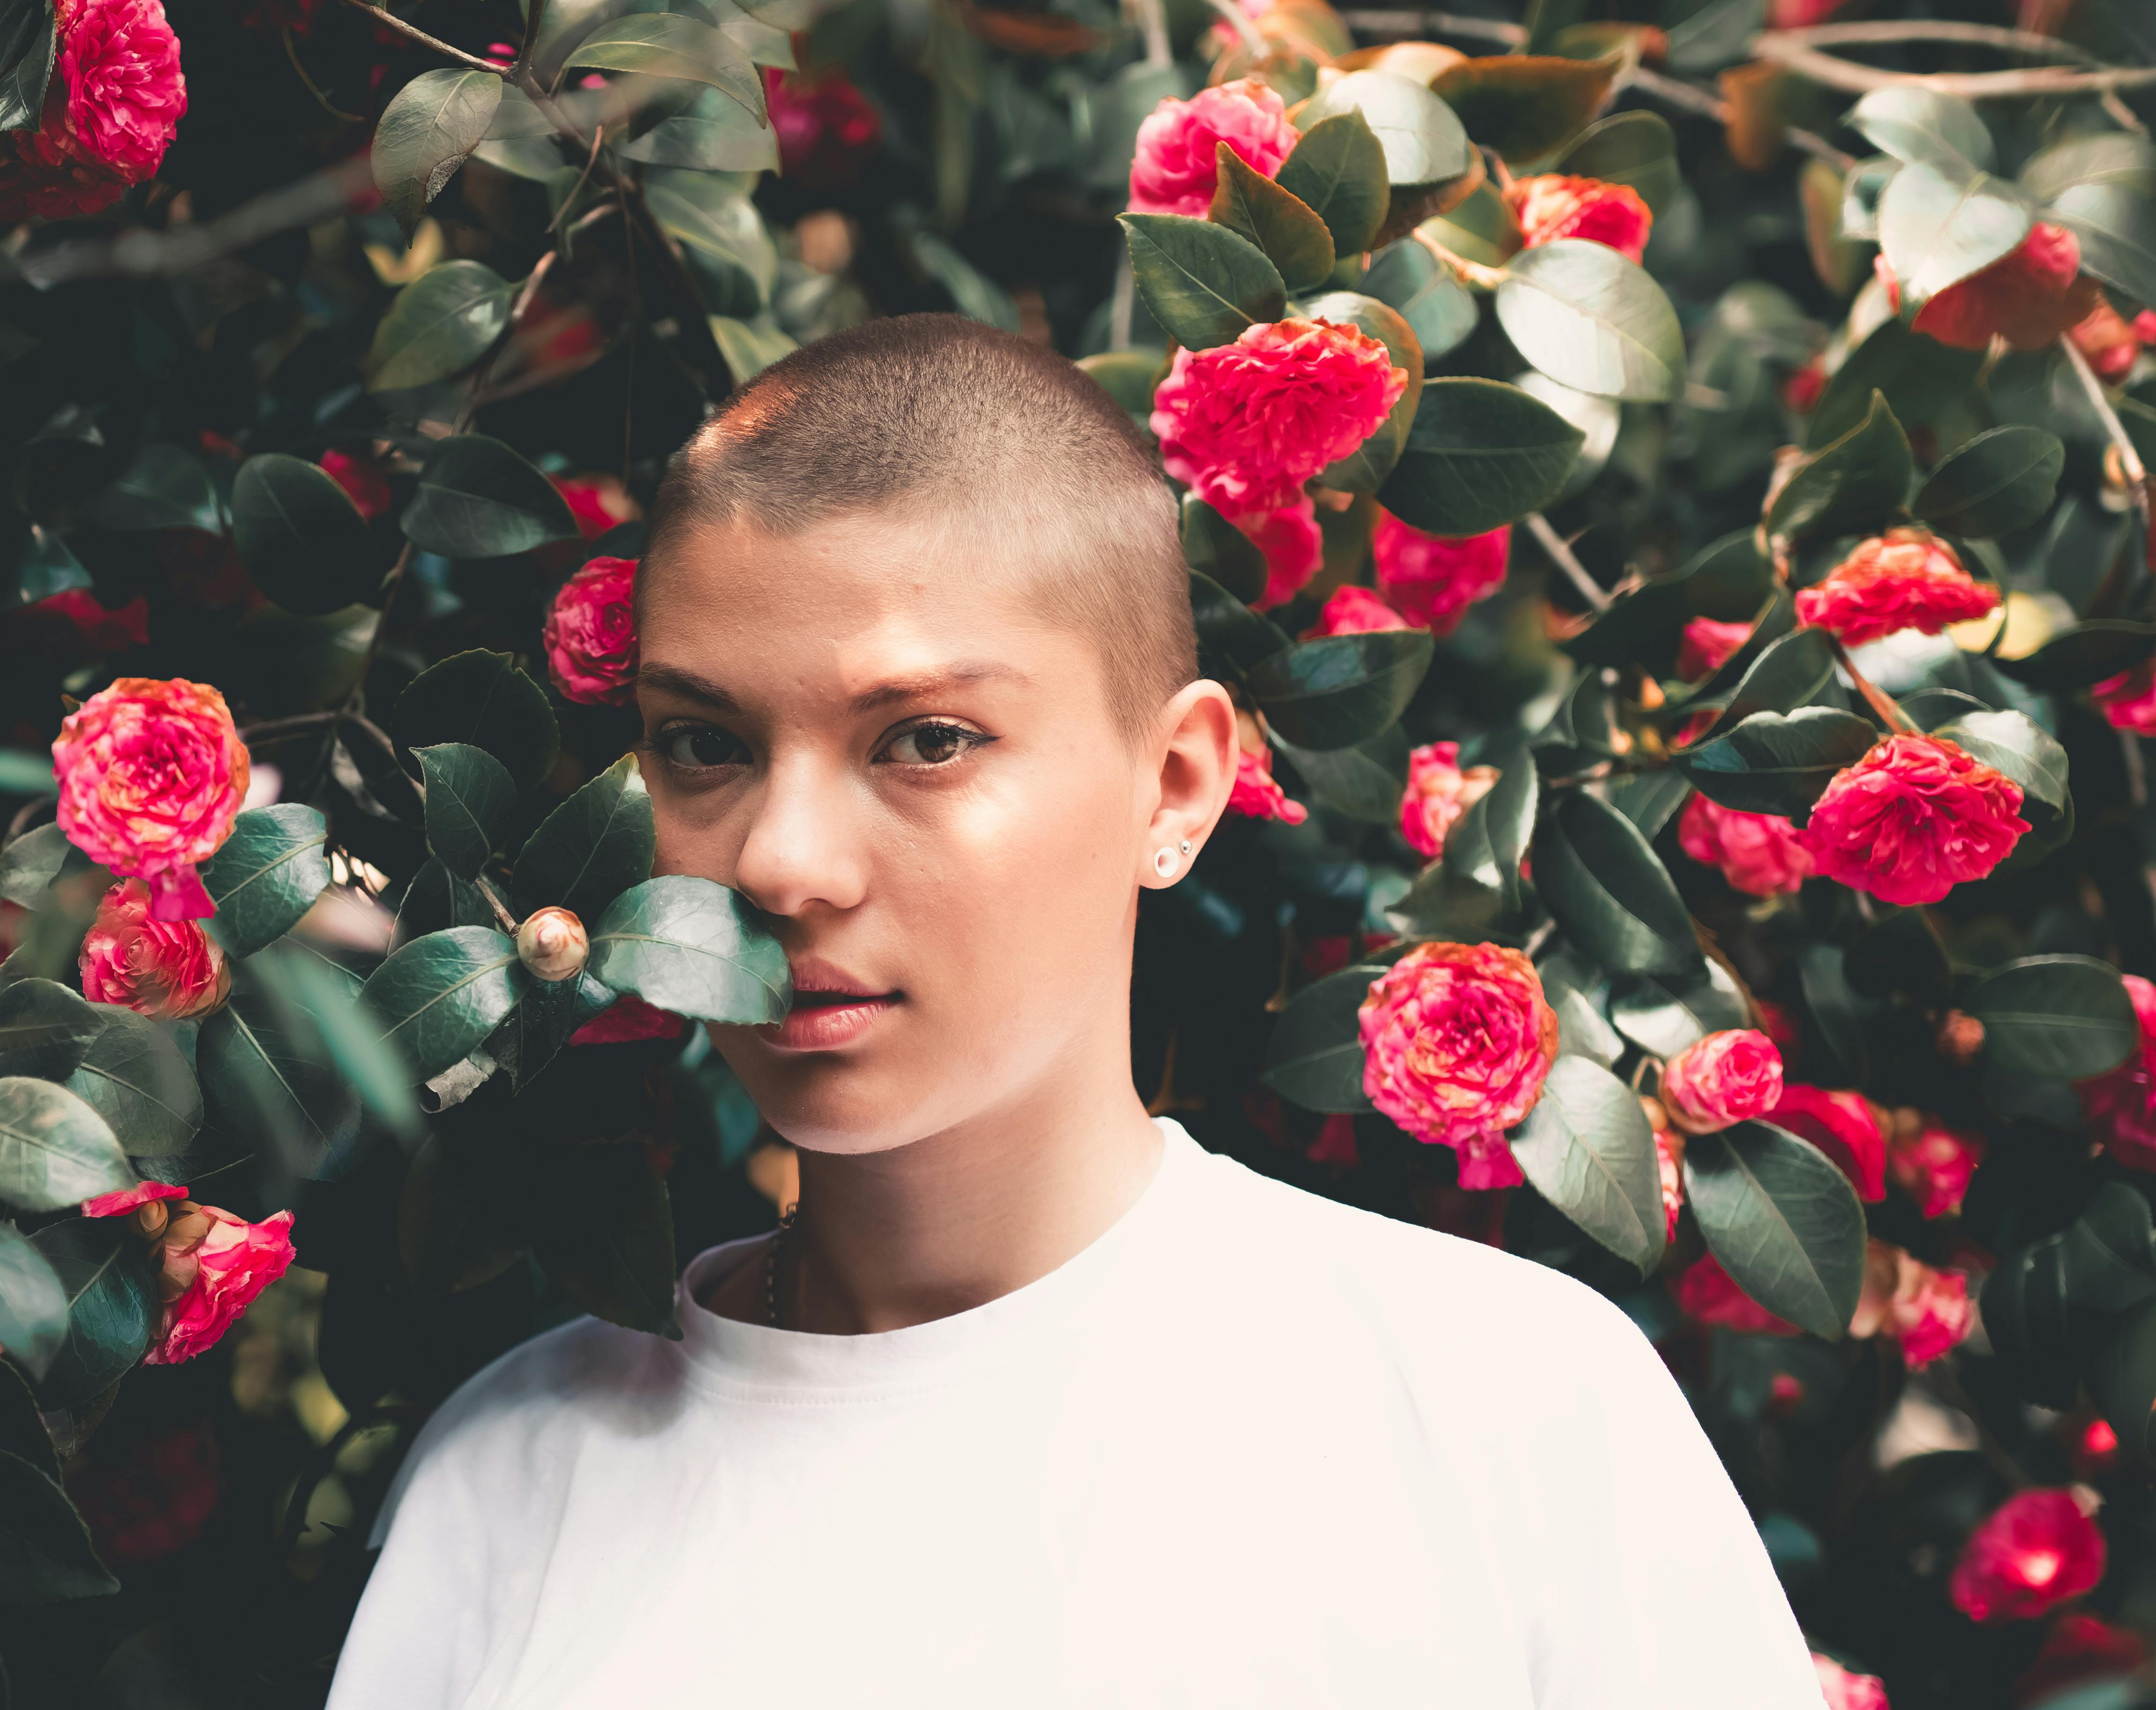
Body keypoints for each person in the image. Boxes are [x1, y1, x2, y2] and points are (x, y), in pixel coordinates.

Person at [326, 315, 1822, 1708]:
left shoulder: (1512, 1414)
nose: (781, 863)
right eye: (704, 745)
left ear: (1175, 786)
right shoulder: (510, 1486)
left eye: (923, 740)